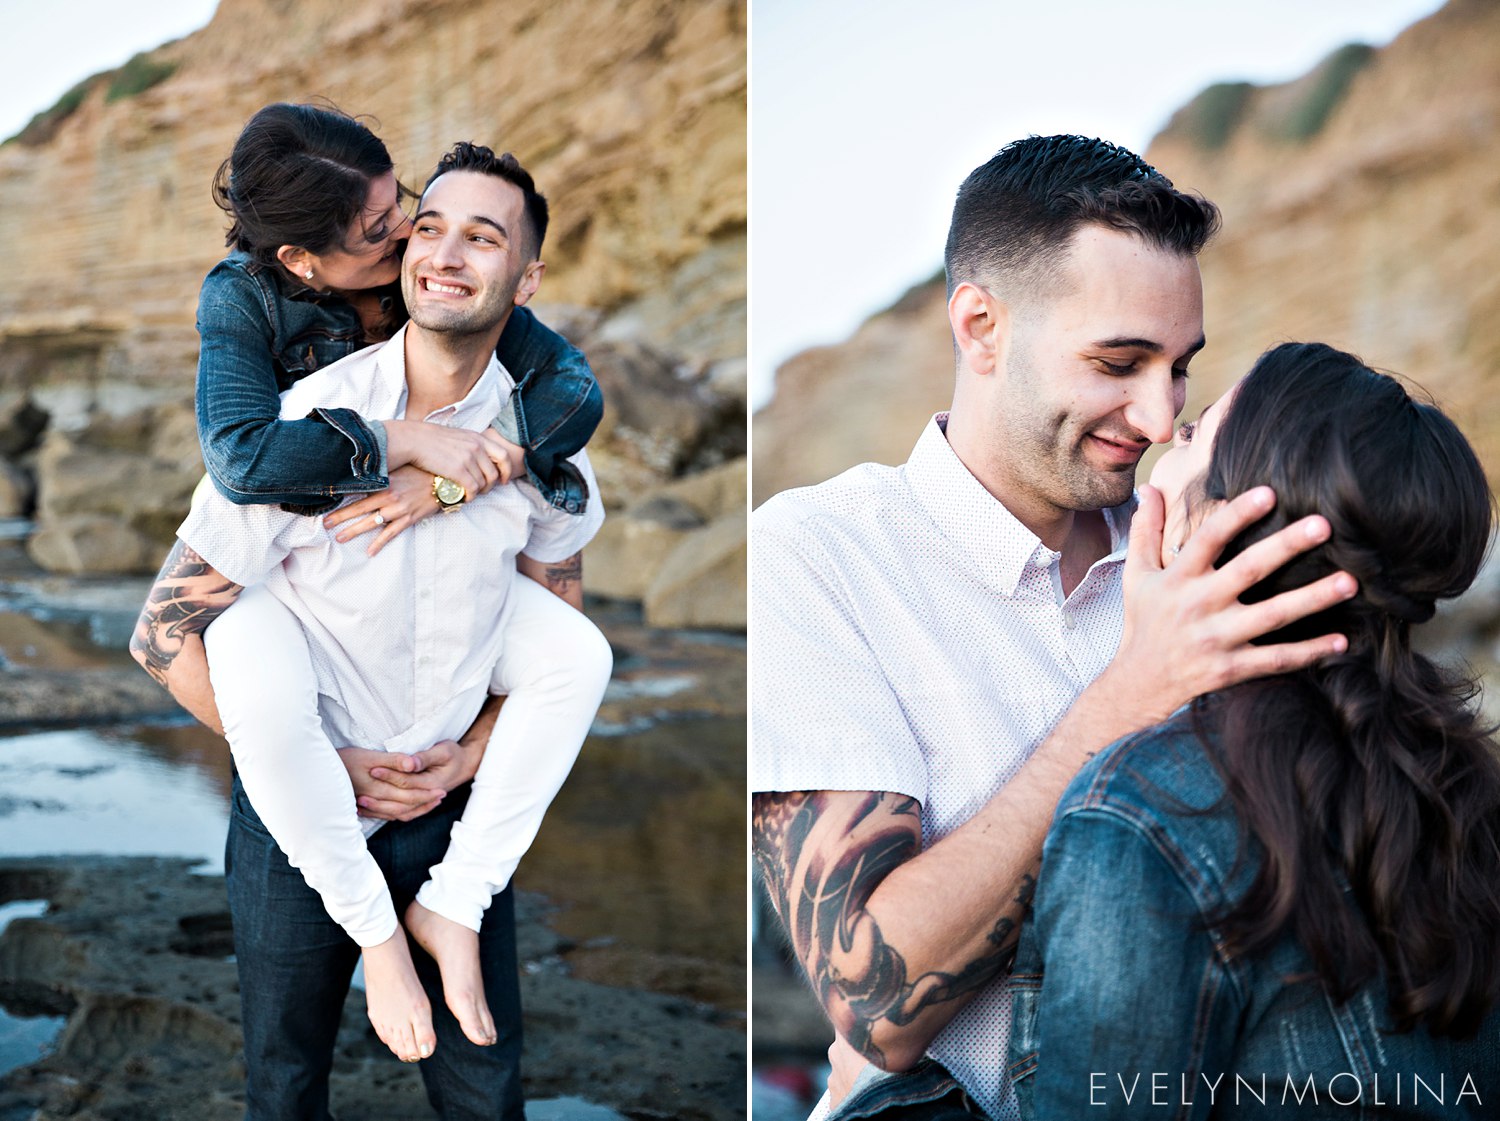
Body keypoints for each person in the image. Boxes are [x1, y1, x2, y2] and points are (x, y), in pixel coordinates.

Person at [750, 135, 1360, 1121]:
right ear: (981, 326)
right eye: (1119, 362)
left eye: (1180, 369)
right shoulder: (818, 555)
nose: (1161, 416)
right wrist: (1134, 689)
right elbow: (872, 1001)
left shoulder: (1194, 538)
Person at [131, 143, 609, 1121]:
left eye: (484, 237)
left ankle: (446, 914)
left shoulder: (540, 444)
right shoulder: (310, 421)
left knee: (486, 1091)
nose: (440, 250)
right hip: (300, 813)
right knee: (287, 1085)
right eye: (426, 226)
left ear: (528, 279)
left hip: (448, 817)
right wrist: (316, 758)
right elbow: (162, 634)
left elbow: (555, 615)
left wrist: (471, 756)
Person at [1009, 342, 1500, 1117]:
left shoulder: (1142, 818)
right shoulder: (1471, 790)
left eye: (1198, 433)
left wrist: (888, 1093)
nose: (1167, 434)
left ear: (1237, 521)